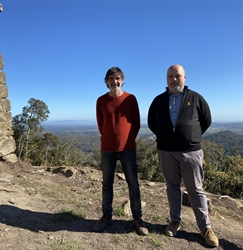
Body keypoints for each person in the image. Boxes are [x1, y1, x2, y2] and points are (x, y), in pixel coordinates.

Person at [147, 64, 219, 247]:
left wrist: (190, 136)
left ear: (185, 77)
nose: (174, 79)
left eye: (177, 76)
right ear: (166, 79)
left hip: (191, 152)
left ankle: (206, 229)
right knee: (172, 187)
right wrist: (166, 137)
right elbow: (151, 122)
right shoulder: (159, 100)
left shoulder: (195, 98)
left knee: (196, 189)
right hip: (166, 152)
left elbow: (206, 120)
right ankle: (174, 221)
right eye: (170, 76)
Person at [92, 67, 148, 236]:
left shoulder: (131, 99)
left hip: (128, 148)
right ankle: (106, 217)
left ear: (122, 80)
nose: (114, 82)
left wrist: (127, 139)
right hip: (107, 148)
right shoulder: (101, 101)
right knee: (107, 185)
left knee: (134, 185)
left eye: (117, 78)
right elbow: (101, 124)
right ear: (106, 81)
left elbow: (136, 123)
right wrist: (110, 138)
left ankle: (138, 219)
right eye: (111, 79)